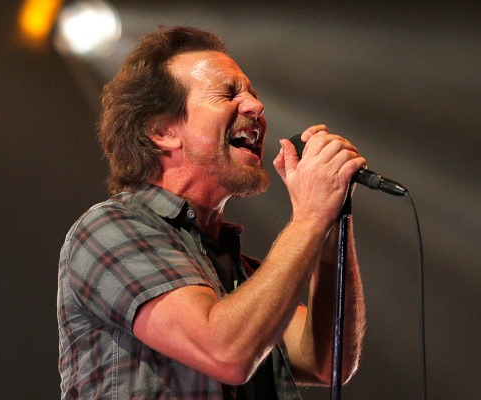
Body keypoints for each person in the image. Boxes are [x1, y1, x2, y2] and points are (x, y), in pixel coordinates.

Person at [57, 26, 366, 399]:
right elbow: (225, 352)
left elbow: (327, 361)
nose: (256, 107)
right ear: (163, 130)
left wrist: (331, 217)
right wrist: (309, 217)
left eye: (253, 94)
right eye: (229, 94)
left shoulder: (242, 273)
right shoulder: (109, 229)